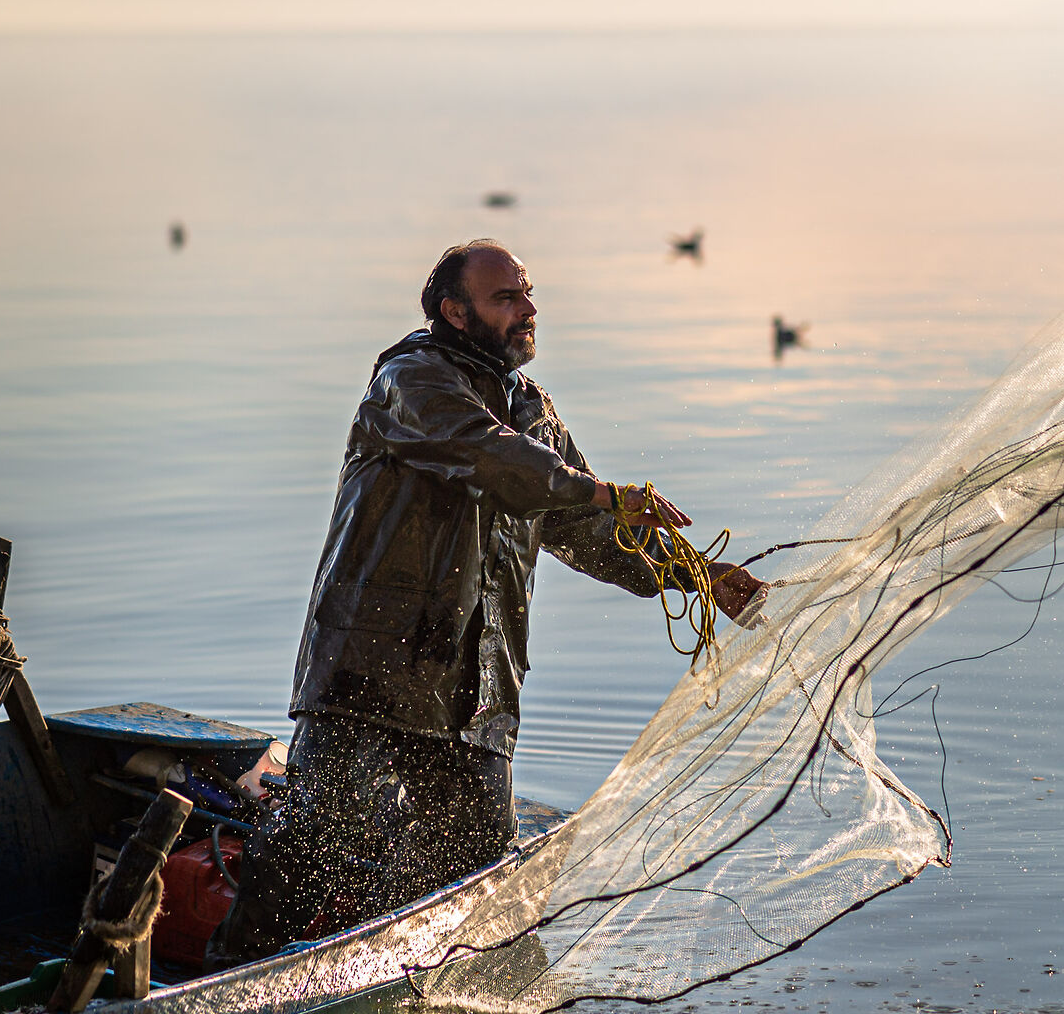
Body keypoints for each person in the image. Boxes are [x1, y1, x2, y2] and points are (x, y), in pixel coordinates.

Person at [212, 239, 764, 961]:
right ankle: (233, 969)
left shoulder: (534, 411)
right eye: (507, 297)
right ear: (455, 311)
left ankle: (391, 977)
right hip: (369, 673)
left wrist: (696, 573)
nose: (529, 309)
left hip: (478, 696)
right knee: (313, 846)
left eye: (528, 294)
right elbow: (489, 456)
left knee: (466, 875)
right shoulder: (410, 382)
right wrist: (605, 489)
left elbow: (591, 532)